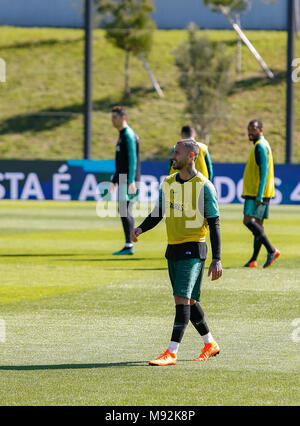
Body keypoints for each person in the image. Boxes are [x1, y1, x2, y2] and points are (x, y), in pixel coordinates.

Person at [131, 139, 222, 366]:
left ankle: (171, 352)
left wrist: (217, 259)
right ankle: (210, 343)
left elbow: (215, 223)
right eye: (173, 152)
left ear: (192, 156)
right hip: (173, 249)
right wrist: (141, 228)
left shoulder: (204, 186)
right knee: (189, 301)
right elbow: (158, 212)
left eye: (177, 153)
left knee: (181, 298)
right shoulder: (169, 182)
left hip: (194, 248)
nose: (173, 156)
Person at [242, 119, 280, 268]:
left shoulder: (260, 147)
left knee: (248, 221)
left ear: (261, 130)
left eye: (253, 129)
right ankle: (253, 260)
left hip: (257, 193)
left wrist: (258, 194)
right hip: (261, 192)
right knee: (258, 226)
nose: (250, 132)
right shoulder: (263, 145)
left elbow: (264, 172)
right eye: (249, 129)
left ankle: (271, 250)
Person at [110, 106, 140, 255]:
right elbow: (121, 161)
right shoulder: (123, 134)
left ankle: (129, 244)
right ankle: (129, 243)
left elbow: (132, 159)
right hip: (123, 178)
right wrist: (115, 179)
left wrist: (131, 180)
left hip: (128, 179)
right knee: (124, 209)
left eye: (115, 117)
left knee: (124, 209)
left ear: (123, 118)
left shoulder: (128, 135)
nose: (112, 120)